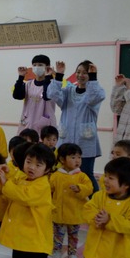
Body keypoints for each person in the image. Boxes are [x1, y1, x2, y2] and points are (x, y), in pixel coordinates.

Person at [0, 143, 55, 258]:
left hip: (37, 239)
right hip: (21, 237)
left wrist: (5, 182)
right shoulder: (22, 178)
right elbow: (14, 177)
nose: (31, 167)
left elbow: (23, 196)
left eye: (38, 165)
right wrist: (5, 171)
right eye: (29, 162)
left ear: (47, 170)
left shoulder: (42, 185)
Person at [48, 60, 105, 191]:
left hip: (85, 141)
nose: (81, 75)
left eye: (85, 73)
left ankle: (93, 201)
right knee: (61, 172)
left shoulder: (96, 92)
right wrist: (59, 75)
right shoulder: (69, 90)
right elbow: (52, 94)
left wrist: (94, 77)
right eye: (78, 72)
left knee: (86, 174)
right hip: (66, 139)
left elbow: (93, 98)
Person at [49, 143, 93, 258]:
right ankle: (56, 251)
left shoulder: (82, 176)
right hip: (59, 212)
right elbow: (49, 190)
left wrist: (80, 188)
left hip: (74, 213)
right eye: (73, 157)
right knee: (58, 234)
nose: (77, 160)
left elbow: (89, 188)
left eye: (79, 157)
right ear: (62, 159)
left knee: (74, 235)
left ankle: (72, 253)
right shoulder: (56, 176)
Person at [13, 54, 57, 134]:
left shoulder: (52, 85)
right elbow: (17, 96)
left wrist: (48, 77)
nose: (37, 67)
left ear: (47, 67)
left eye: (40, 65)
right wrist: (21, 77)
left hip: (44, 125)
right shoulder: (28, 84)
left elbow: (47, 96)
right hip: (27, 124)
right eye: (34, 65)